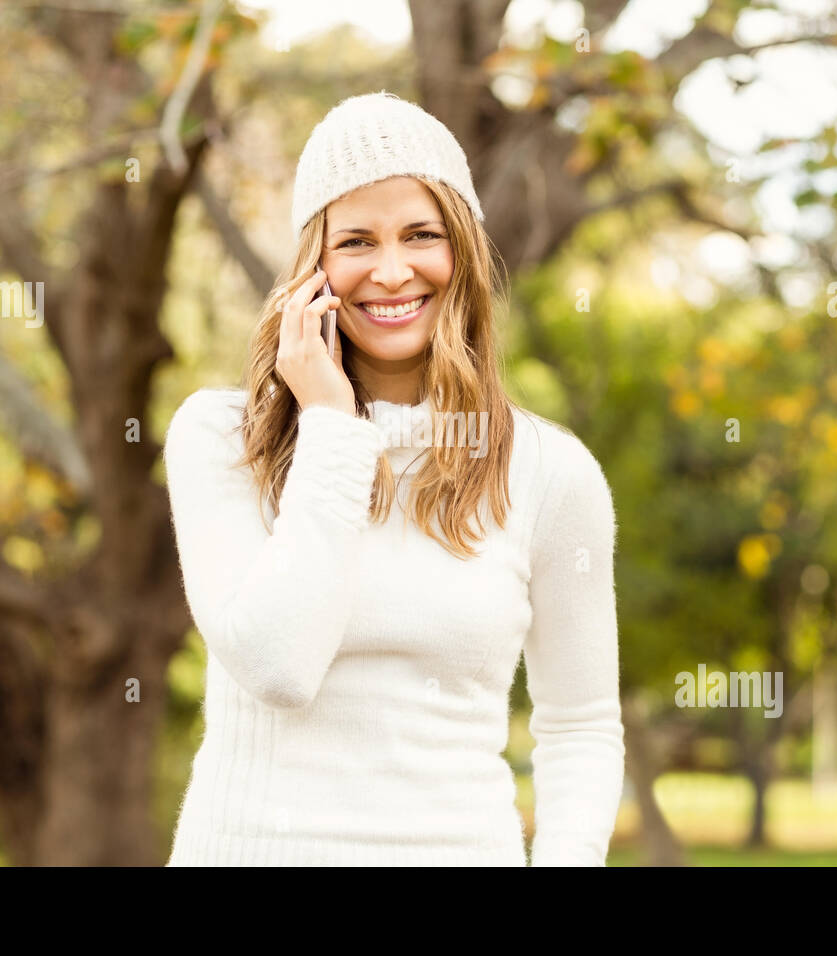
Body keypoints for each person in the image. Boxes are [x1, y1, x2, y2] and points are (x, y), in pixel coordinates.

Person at [164, 91, 624, 866]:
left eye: (421, 234)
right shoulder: (220, 439)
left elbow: (579, 725)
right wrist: (334, 429)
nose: (390, 270)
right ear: (315, 269)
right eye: (355, 241)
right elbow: (278, 665)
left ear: (464, 253)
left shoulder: (551, 472)